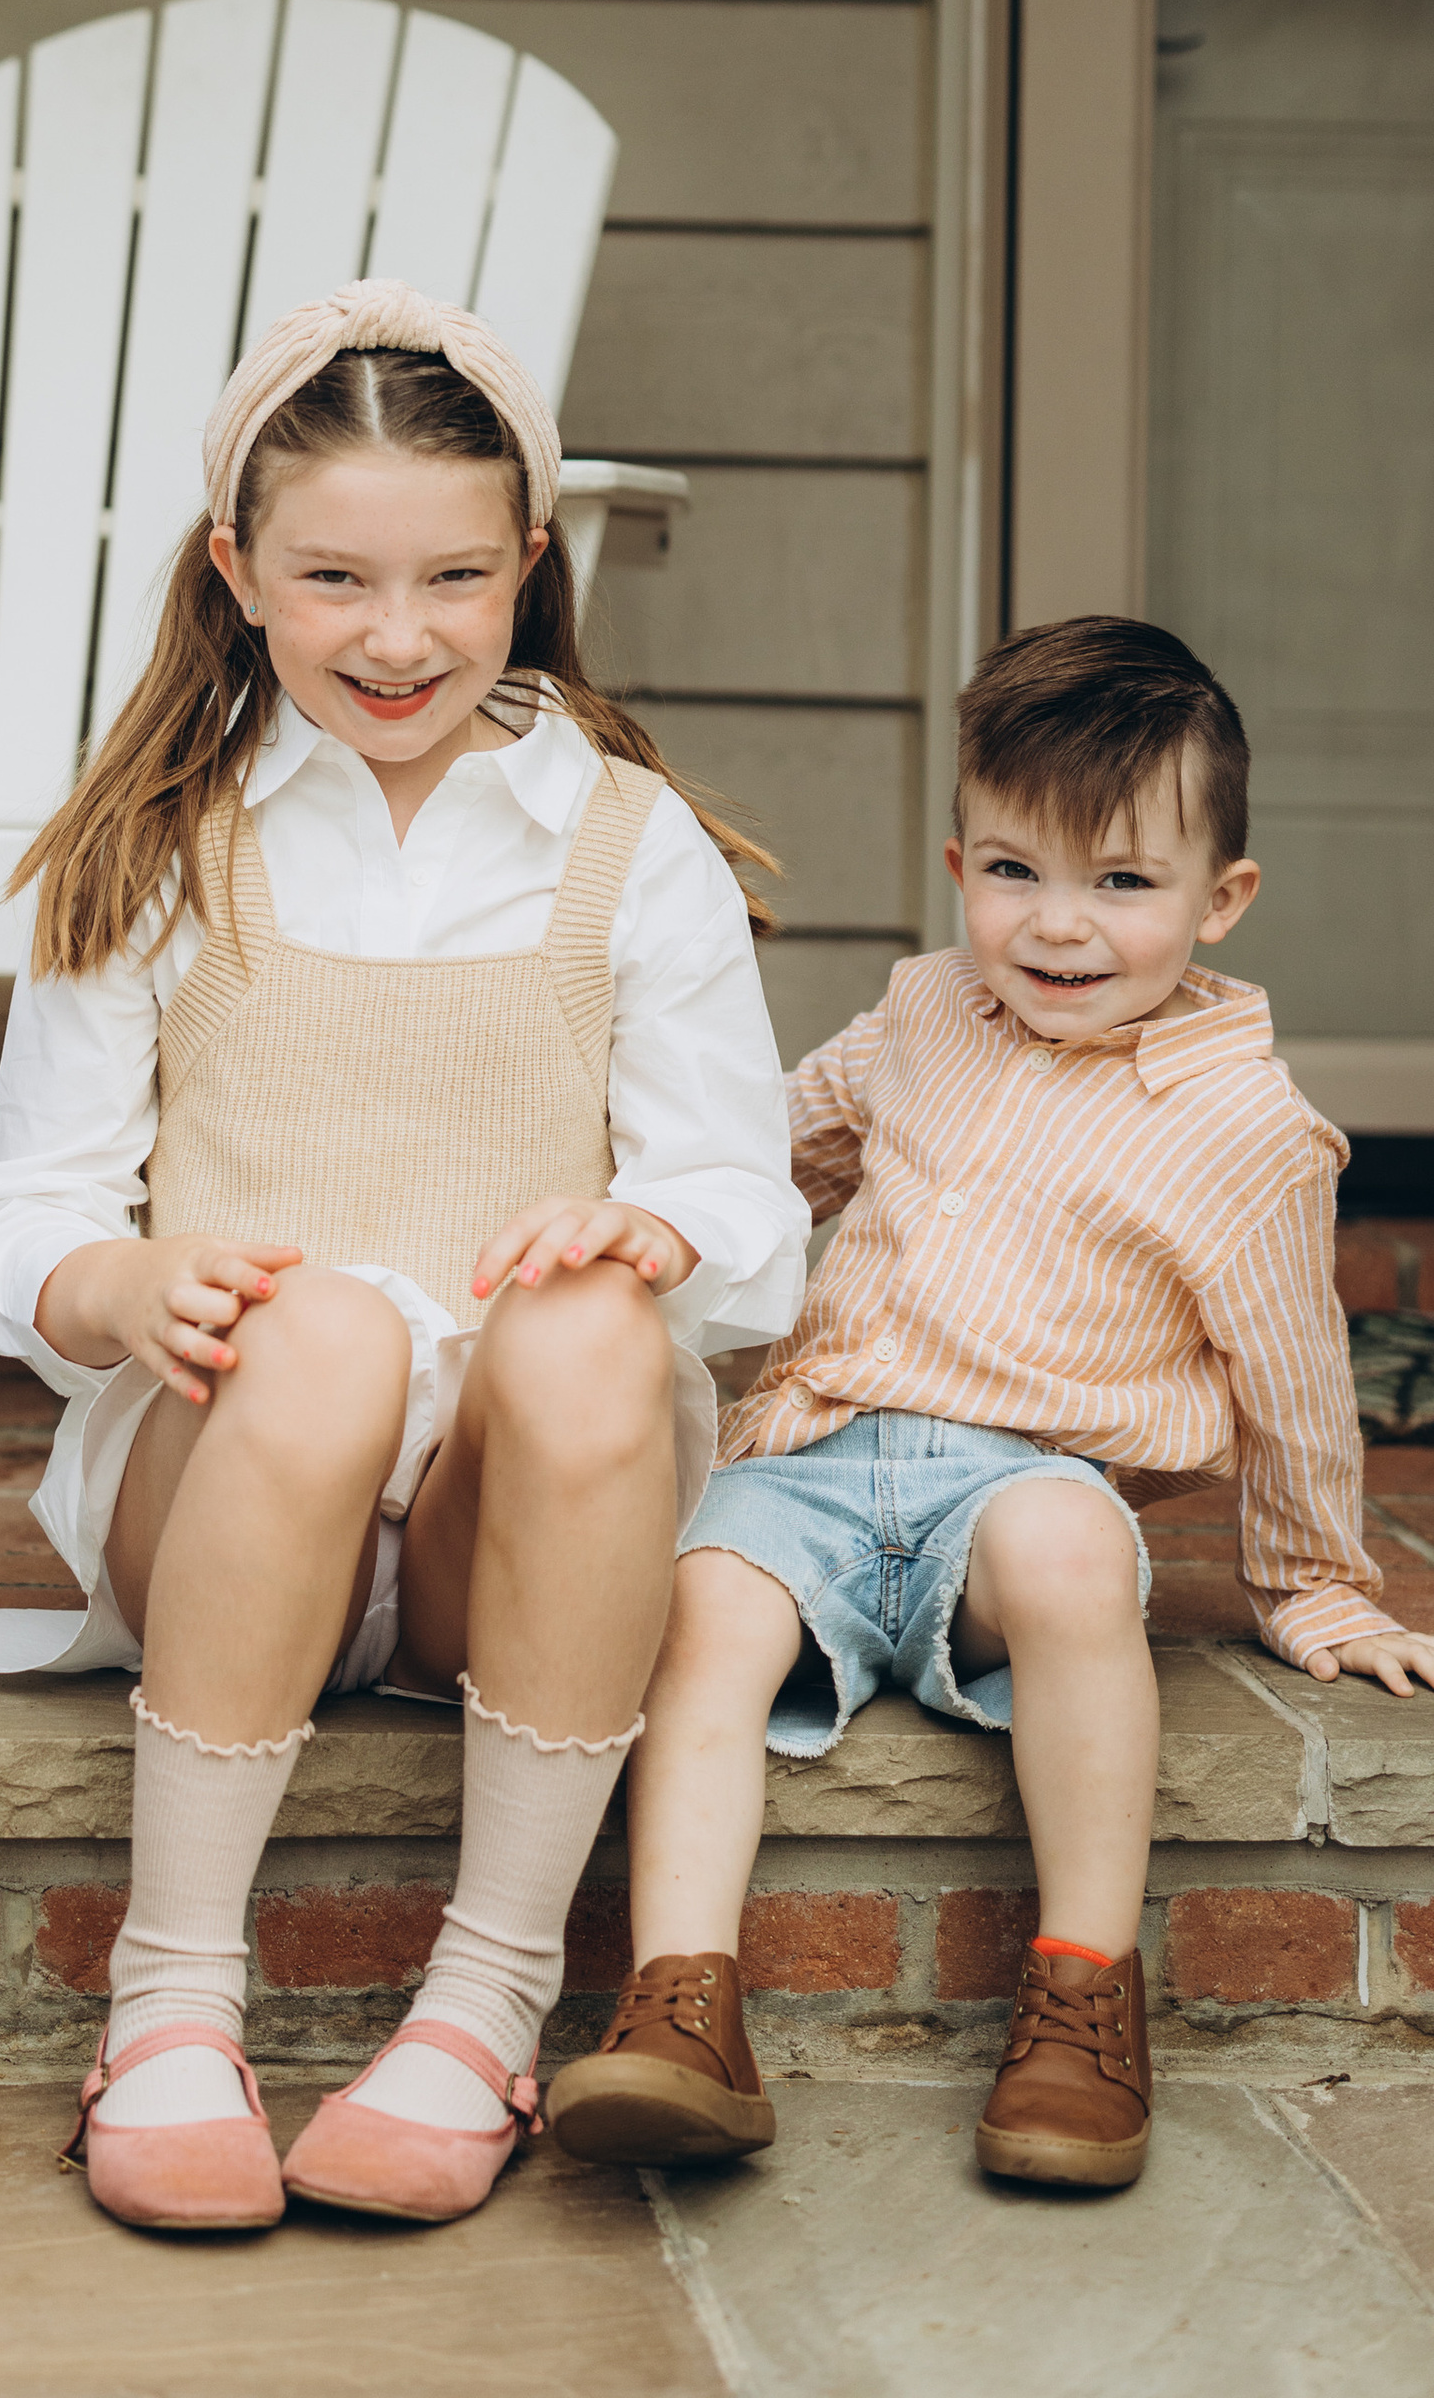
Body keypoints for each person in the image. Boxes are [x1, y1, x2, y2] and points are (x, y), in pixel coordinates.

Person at [0, 279, 809, 2233]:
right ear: (234, 569)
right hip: (229, 1488)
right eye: (332, 576)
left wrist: (652, 1226)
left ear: (528, 562)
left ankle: (481, 2006)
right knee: (320, 1331)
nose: (396, 637)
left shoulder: (623, 839)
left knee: (596, 1325)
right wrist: (111, 1289)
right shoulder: (157, 839)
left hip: (496, 1553)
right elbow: (27, 1213)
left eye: (449, 579)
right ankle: (168, 1998)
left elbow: (748, 1216)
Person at [551, 613, 1434, 2198]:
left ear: (1220, 900)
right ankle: (684, 2002)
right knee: (700, 1613)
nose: (1059, 926)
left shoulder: (1247, 1128)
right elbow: (761, 1165)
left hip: (1022, 1483)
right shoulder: (917, 1015)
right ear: (960, 862)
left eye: (1122, 882)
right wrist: (647, 1226)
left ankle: (1082, 1998)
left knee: (1076, 1562)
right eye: (1016, 871)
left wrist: (1317, 1588)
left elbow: (1296, 1375)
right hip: (814, 1459)